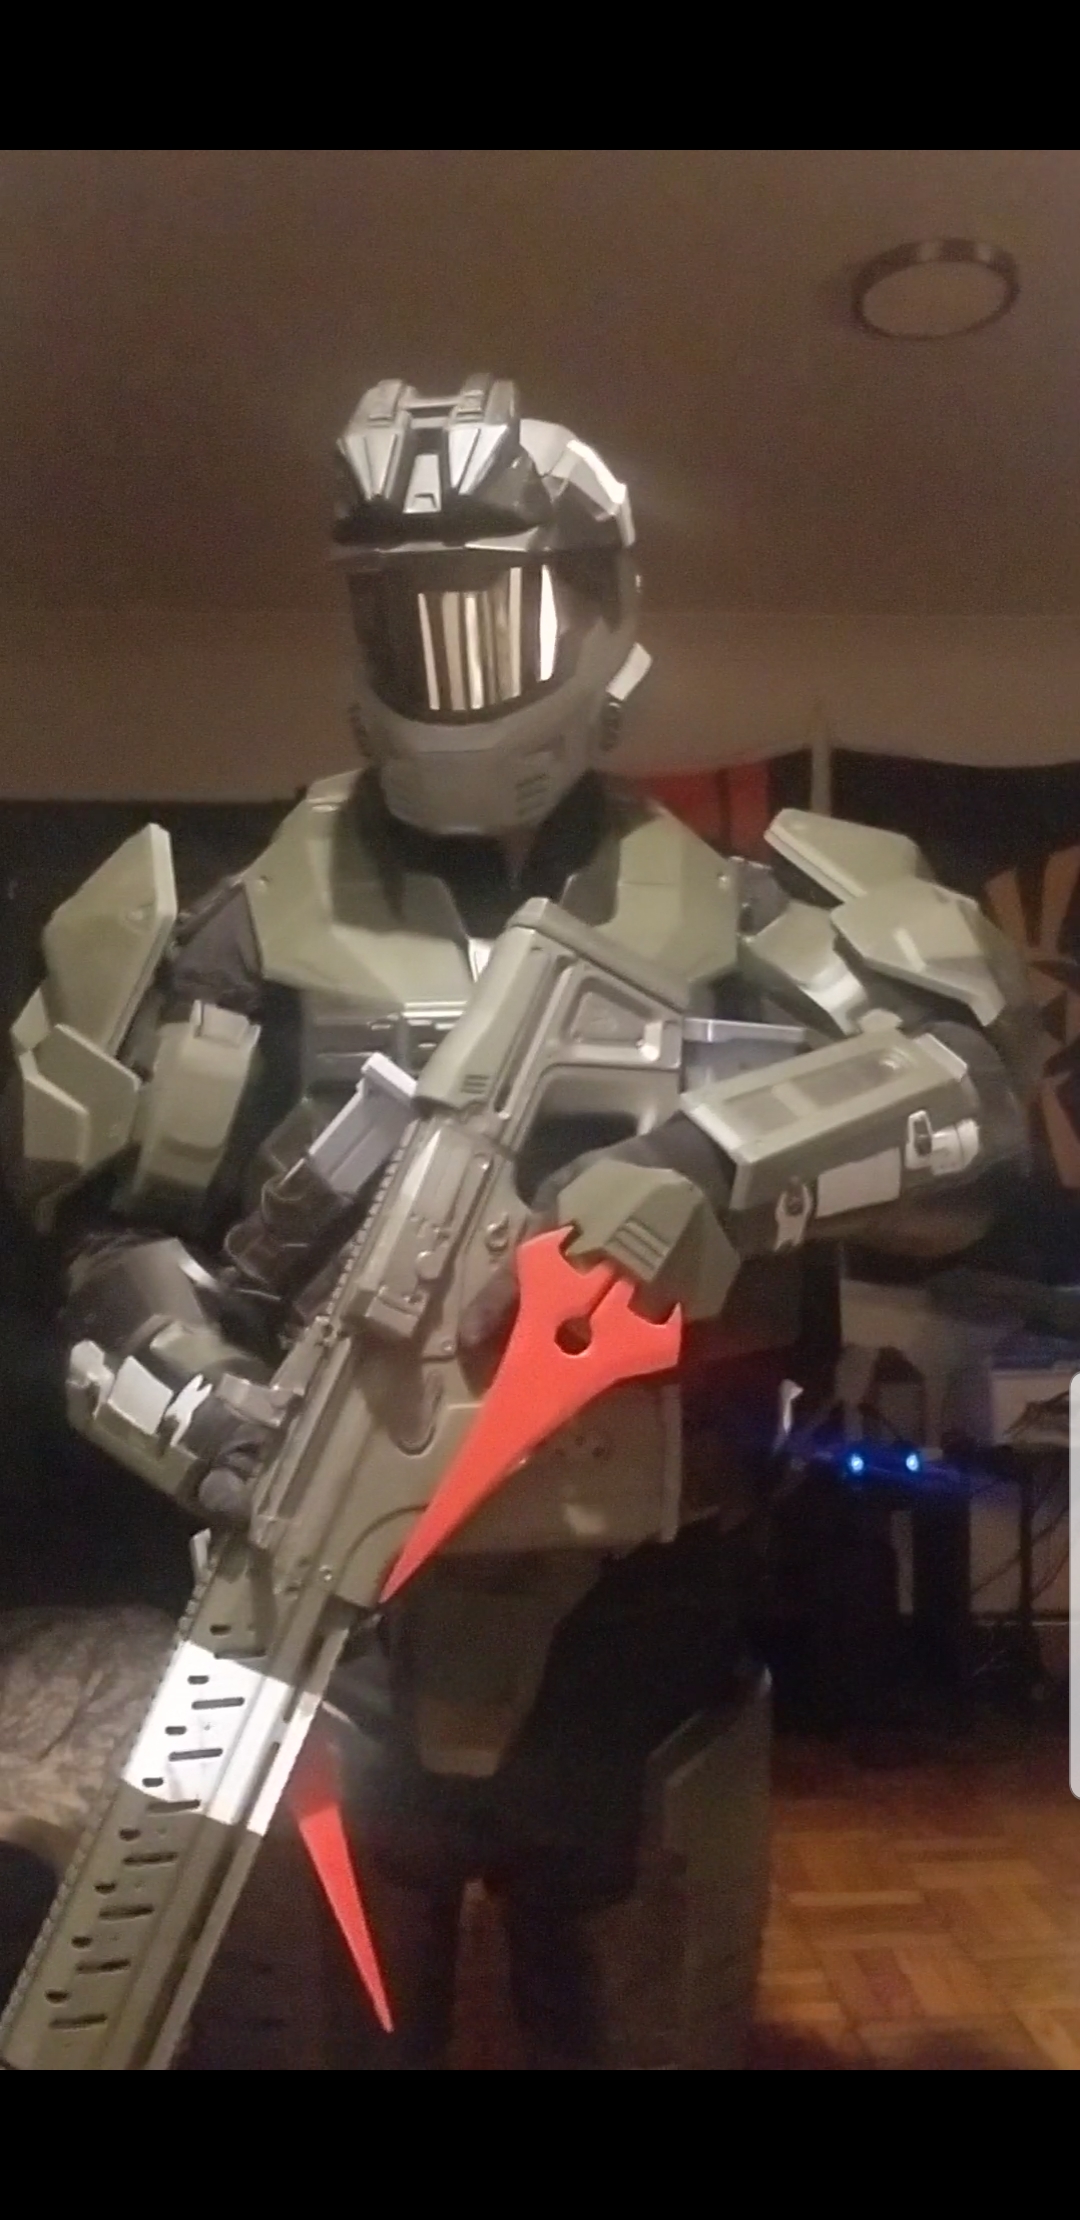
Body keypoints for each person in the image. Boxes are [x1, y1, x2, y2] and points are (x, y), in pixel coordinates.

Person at [1, 375, 1040, 2068]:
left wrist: (722, 1162)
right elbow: (104, 1242)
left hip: (647, 1623)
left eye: (497, 608)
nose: (456, 662)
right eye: (409, 612)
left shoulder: (744, 908)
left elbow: (972, 1113)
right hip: (308, 1626)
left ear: (603, 607)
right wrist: (206, 1411)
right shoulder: (231, 930)